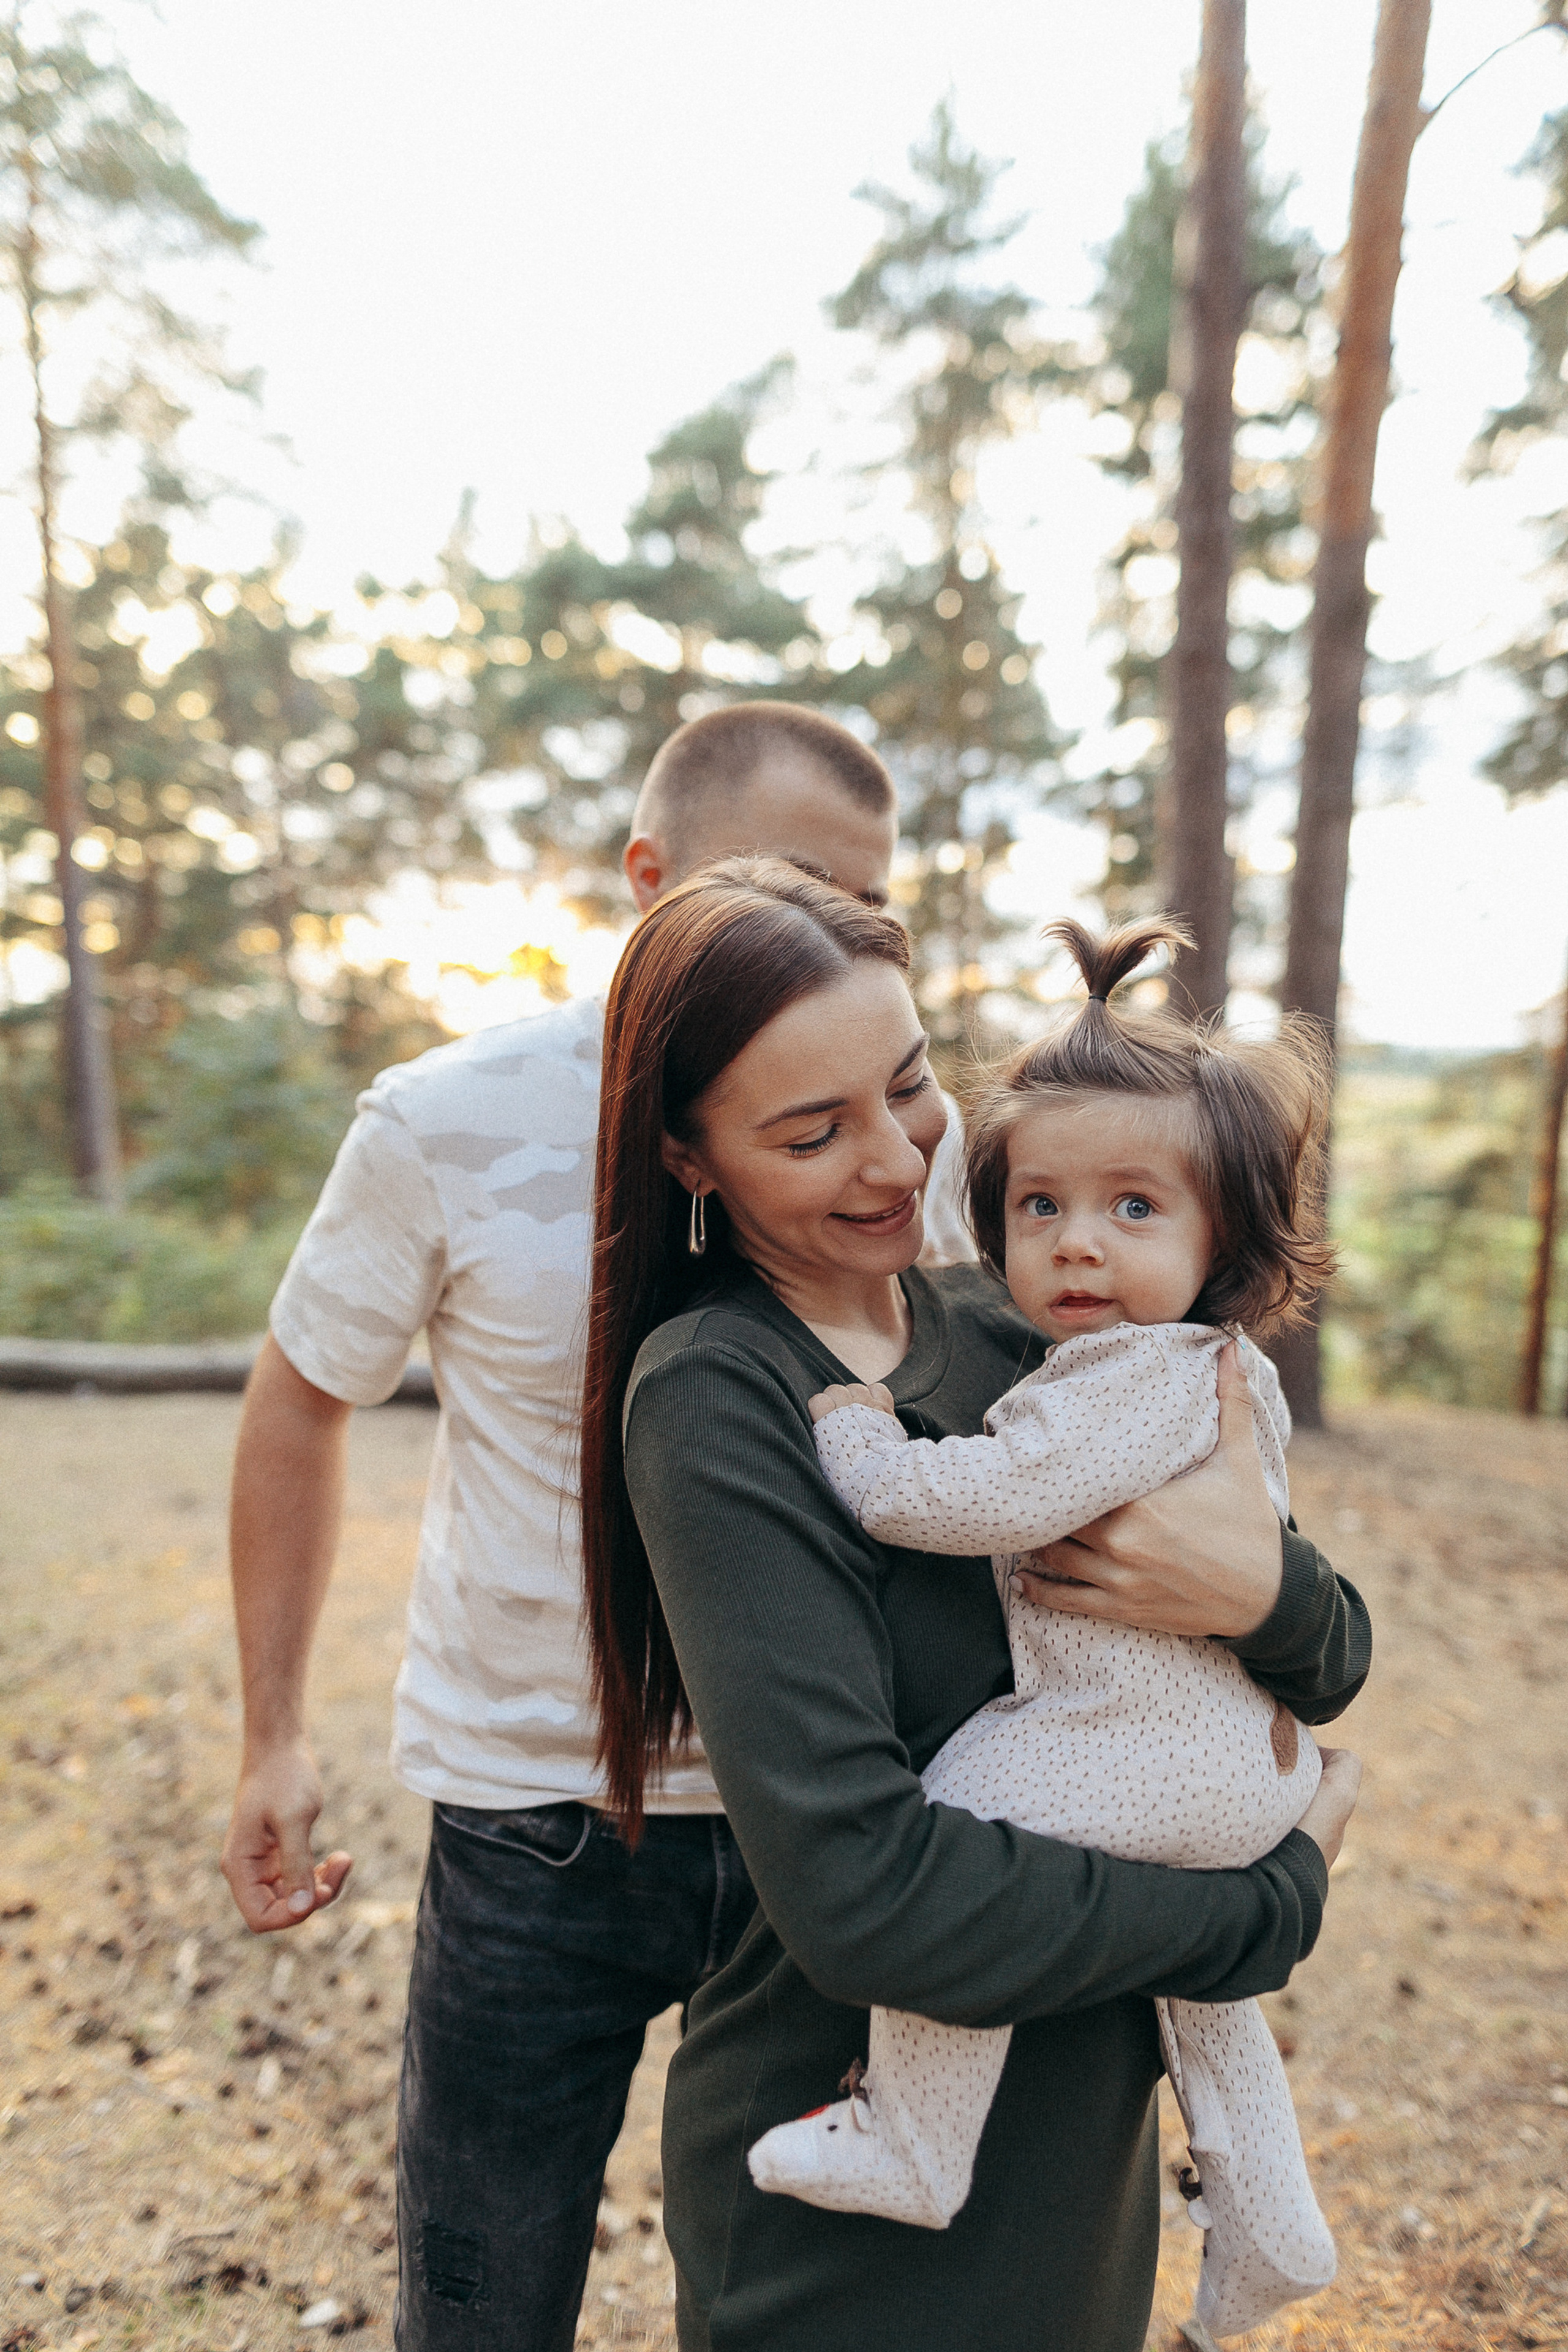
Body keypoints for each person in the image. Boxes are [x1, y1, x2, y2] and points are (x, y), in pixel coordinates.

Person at [219, 703, 966, 2352]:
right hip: (536, 1824)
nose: (819, 945)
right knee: (482, 2302)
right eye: (781, 885)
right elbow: (299, 1400)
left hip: (825, 1826)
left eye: (859, 904)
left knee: (805, 2304)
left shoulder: (910, 1133)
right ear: (648, 878)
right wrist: (271, 1732)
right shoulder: (443, 1120)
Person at [581, 859, 1368, 2352]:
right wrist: (1260, 1909)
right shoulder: (722, 1399)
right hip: (850, 2234)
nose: (893, 1162)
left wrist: (1265, 1595)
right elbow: (868, 1902)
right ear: (688, 1157)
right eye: (812, 1132)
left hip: (1076, 2155)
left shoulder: (1025, 1323)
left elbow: (1329, 1660)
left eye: (907, 1086)